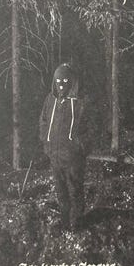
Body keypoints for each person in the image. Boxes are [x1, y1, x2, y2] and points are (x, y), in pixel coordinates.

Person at [39, 63, 94, 230]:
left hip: (72, 158)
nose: (61, 85)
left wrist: (79, 148)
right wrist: (46, 143)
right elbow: (43, 122)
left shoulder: (80, 102)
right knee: (60, 191)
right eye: (58, 81)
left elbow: (91, 127)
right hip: (55, 156)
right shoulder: (50, 100)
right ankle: (65, 222)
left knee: (75, 190)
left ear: (71, 82)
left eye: (64, 81)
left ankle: (77, 224)